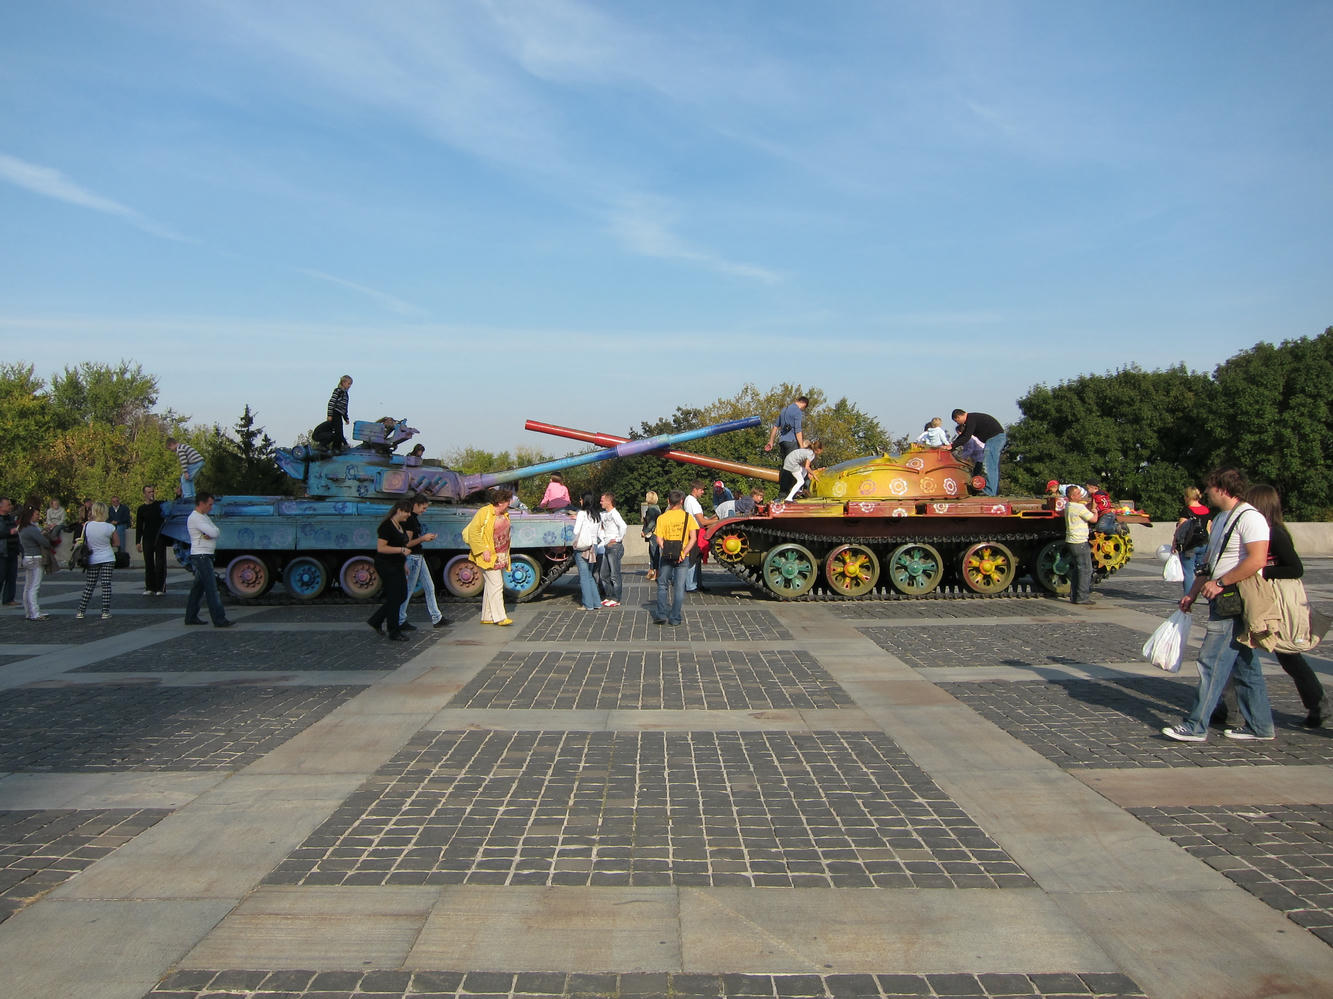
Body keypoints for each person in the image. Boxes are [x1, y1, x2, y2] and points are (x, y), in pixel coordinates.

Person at [1162, 467, 1273, 743]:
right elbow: (1210, 563)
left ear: (1222, 489)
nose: (1205, 493)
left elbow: (1257, 559)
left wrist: (1222, 583)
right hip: (1222, 596)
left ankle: (1196, 725)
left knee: (1211, 661)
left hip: (1233, 598)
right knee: (1246, 666)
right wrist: (1193, 593)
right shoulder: (1223, 517)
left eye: (1209, 488)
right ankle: (1260, 726)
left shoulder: (1251, 518)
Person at [1244, 483, 1326, 728]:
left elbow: (1295, 567)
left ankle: (1319, 706)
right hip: (1259, 596)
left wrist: (1262, 570)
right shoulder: (1261, 530)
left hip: (1275, 599)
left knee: (1288, 656)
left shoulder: (1275, 533)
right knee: (1240, 652)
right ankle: (1227, 708)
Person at [464, 487, 514, 625]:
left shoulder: (504, 514)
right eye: (507, 501)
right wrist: (482, 550)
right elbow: (473, 532)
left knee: (491, 585)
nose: (508, 504)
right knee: (497, 585)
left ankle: (487, 616)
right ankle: (500, 617)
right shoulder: (484, 512)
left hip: (501, 554)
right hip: (488, 555)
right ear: (500, 502)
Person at [184, 492, 233, 628]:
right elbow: (214, 532)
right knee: (211, 589)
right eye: (209, 504)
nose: (211, 507)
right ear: (202, 503)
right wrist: (211, 533)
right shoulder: (196, 518)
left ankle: (191, 616)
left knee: (198, 589)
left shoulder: (203, 517)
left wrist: (212, 533)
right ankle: (219, 619)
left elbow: (215, 531)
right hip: (201, 555)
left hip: (204, 554)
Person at [400, 495, 448, 631]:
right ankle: (400, 619)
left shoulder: (412, 518)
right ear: (416, 504)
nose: (424, 511)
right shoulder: (410, 520)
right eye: (423, 508)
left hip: (418, 556)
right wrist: (423, 539)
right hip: (413, 557)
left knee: (429, 587)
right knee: (409, 589)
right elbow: (407, 543)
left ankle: (437, 617)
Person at [368, 498, 413, 641]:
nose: (409, 515)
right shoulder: (387, 526)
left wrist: (404, 563)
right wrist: (401, 549)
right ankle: (393, 630)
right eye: (407, 512)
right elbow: (381, 548)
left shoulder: (399, 525)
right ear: (399, 511)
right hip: (386, 565)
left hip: (397, 564)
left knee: (401, 595)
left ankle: (376, 620)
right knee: (395, 597)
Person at [652, 490, 697, 627]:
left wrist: (665, 548)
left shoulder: (662, 518)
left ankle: (660, 614)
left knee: (662, 585)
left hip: (667, 556)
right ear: (682, 501)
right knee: (679, 588)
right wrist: (683, 552)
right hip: (683, 557)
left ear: (668, 501)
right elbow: (693, 538)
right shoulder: (688, 517)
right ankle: (675, 617)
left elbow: (659, 539)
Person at [75, 501, 119, 620]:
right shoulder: (110, 527)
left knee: (90, 585)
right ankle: (105, 611)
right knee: (106, 585)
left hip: (93, 558)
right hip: (107, 557)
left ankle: (81, 610)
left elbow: (84, 541)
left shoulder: (87, 525)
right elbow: (117, 543)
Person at [950, 409, 1006, 496]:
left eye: (957, 421)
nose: (958, 424)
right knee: (992, 466)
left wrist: (952, 447)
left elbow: (966, 437)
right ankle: (992, 491)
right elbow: (963, 435)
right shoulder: (972, 418)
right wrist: (952, 446)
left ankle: (990, 492)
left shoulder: (970, 419)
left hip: (995, 439)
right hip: (997, 438)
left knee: (989, 465)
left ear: (958, 417)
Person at [765, 395, 809, 497]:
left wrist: (771, 441)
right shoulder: (797, 411)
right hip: (791, 441)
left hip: (782, 442)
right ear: (804, 404)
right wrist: (802, 446)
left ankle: (785, 491)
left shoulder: (784, 410)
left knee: (786, 466)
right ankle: (786, 493)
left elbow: (775, 427)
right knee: (792, 467)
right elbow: (798, 430)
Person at [1171, 486, 1212, 595]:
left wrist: (1174, 543)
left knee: (1188, 572)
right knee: (1202, 571)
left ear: (1188, 497)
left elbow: (1181, 528)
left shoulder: (1186, 510)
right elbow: (1209, 528)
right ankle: (1207, 595)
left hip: (1189, 545)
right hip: (1204, 544)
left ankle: (1188, 596)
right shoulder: (1206, 510)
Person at [1063, 486, 1097, 606]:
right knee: (1086, 569)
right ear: (1072, 496)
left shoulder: (1068, 506)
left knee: (1077, 569)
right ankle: (1082, 597)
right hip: (1080, 541)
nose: (1080, 495)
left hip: (1071, 540)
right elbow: (1093, 519)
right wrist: (1095, 510)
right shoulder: (1078, 507)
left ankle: (1074, 596)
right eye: (1077, 494)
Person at [18, 506, 53, 620]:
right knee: (34, 587)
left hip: (27, 557)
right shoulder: (32, 528)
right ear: (31, 516)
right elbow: (44, 542)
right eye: (37, 514)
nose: (39, 516)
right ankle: (35, 613)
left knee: (28, 586)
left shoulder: (22, 528)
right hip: (36, 557)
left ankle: (29, 611)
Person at [569, 492, 602, 611]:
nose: (580, 501)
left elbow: (576, 531)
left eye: (581, 499)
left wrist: (576, 518)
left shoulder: (582, 514)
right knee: (590, 575)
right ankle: (597, 602)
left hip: (583, 547)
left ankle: (588, 604)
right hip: (594, 546)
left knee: (583, 576)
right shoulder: (597, 514)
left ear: (584, 500)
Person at [135, 485, 168, 595]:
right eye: (149, 492)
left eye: (152, 492)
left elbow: (170, 508)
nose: (151, 494)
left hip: (159, 537)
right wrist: (137, 541)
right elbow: (139, 526)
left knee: (160, 563)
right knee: (148, 563)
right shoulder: (141, 509)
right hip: (147, 538)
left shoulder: (159, 505)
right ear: (144, 494)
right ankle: (150, 587)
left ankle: (160, 588)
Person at [682, 481, 714, 593]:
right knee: (693, 558)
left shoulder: (688, 500)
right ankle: (691, 585)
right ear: (695, 489)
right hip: (694, 531)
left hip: (693, 530)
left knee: (697, 558)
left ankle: (697, 583)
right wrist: (717, 520)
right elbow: (702, 521)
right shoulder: (693, 502)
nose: (703, 492)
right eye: (701, 490)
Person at [597, 492, 627, 607]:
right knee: (604, 574)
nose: (601, 502)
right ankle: (609, 596)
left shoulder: (614, 513)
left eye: (602, 500)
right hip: (606, 545)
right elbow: (601, 527)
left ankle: (616, 598)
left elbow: (623, 526)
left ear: (609, 501)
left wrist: (618, 539)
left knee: (615, 574)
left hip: (614, 547)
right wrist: (603, 538)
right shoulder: (603, 514)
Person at [327, 375, 353, 451]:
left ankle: (339, 447)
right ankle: (336, 448)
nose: (349, 386)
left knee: (339, 431)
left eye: (350, 384)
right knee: (338, 431)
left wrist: (346, 418)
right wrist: (330, 415)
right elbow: (331, 403)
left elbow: (345, 407)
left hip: (340, 414)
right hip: (335, 413)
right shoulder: (338, 391)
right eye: (348, 384)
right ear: (343, 383)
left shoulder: (346, 394)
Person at [0, 497, 17, 607]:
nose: (10, 507)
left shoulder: (11, 518)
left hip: (12, 550)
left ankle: (8, 599)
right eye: (8, 505)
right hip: (2, 552)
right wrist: (9, 532)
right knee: (1, 576)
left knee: (12, 577)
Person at [642, 491, 662, 582]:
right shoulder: (657, 508)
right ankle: (652, 571)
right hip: (657, 532)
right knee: (653, 552)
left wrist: (645, 531)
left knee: (654, 553)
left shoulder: (651, 509)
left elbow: (652, 522)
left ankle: (656, 573)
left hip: (653, 533)